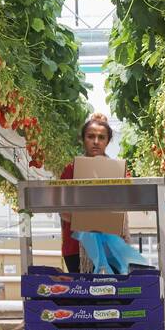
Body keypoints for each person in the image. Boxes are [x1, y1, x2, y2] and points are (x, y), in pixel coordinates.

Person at [58, 113, 118, 275]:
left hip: (111, 248)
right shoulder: (70, 171)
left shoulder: (119, 171)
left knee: (109, 296)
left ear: (108, 140)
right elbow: (62, 210)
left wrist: (88, 219)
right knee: (83, 294)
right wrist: (95, 222)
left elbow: (122, 210)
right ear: (83, 139)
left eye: (101, 137)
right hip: (76, 248)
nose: (96, 142)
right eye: (91, 136)